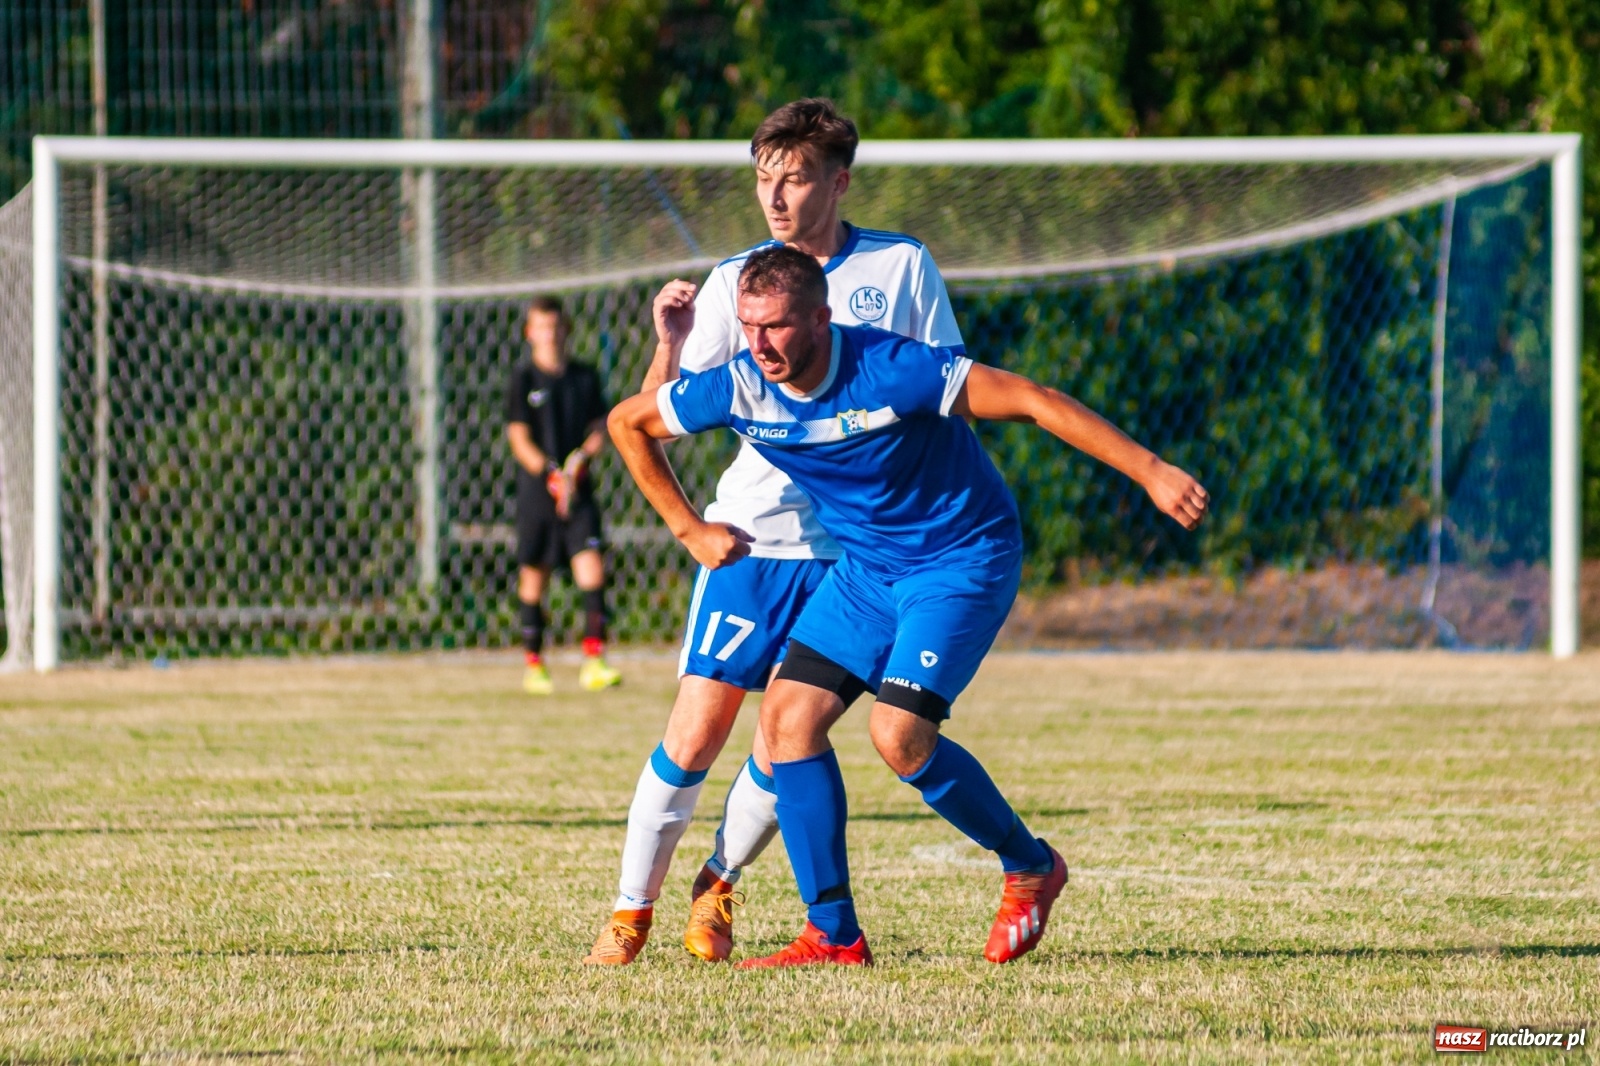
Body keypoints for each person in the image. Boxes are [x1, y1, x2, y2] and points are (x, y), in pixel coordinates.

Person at [608, 246, 1210, 967]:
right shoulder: (739, 386)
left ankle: (1030, 867)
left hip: (961, 557)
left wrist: (1151, 470)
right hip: (868, 570)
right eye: (748, 327)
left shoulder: (893, 369)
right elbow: (628, 423)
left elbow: (1032, 400)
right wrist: (689, 528)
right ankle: (832, 935)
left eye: (775, 327)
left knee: (898, 736)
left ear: (822, 319)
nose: (759, 345)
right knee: (787, 719)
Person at [582, 99, 965, 965]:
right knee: (695, 733)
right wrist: (672, 350)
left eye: (794, 176)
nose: (776, 195)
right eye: (764, 177)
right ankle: (628, 912)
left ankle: (716, 886)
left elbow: (945, 394)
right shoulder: (738, 280)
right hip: (752, 544)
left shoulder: (900, 266)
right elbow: (652, 413)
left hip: (856, 556)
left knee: (787, 733)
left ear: (838, 180)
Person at [504, 295, 622, 695]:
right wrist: (551, 473)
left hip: (579, 491)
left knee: (592, 570)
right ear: (530, 332)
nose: (549, 334)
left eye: (555, 326)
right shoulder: (522, 379)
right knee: (533, 578)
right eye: (541, 326)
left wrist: (578, 463)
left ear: (565, 329)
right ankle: (534, 664)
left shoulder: (584, 377)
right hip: (538, 495)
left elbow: (600, 428)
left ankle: (595, 660)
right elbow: (518, 438)